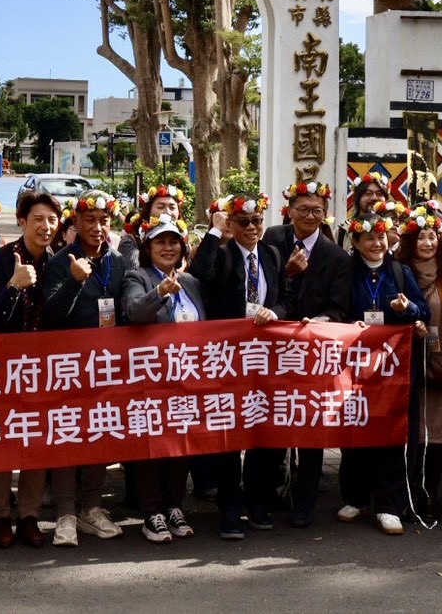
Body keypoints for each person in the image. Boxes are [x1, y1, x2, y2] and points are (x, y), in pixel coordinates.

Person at [192, 195, 283, 540]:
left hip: (265, 358)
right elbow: (199, 274)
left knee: (264, 431)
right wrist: (215, 233)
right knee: (230, 435)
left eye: (257, 221)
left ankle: (257, 504)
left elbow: (285, 297)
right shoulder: (223, 254)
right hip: (228, 357)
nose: (251, 228)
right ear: (230, 224)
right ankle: (229, 510)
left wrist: (275, 312)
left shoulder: (272, 255)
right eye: (242, 222)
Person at [0, 189, 60, 549]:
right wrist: (14, 285)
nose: (45, 227)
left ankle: (28, 514)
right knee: (2, 440)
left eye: (52, 220)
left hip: (45, 368)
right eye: (37, 219)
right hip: (2, 365)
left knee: (37, 440)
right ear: (22, 222)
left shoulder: (58, 261)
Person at [42, 192, 127, 547]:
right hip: (68, 366)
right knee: (68, 438)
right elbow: (50, 315)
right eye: (88, 220)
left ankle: (92, 507)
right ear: (74, 224)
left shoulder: (119, 261)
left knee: (98, 436)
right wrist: (74, 280)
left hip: (106, 367)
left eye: (103, 220)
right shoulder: (60, 262)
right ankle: (65, 513)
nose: (97, 227)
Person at [337, 212, 429, 535]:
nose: (377, 244)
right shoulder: (346, 271)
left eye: (381, 237)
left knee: (393, 434)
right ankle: (356, 497)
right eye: (369, 238)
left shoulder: (400, 271)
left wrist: (410, 311)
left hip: (395, 370)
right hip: (356, 369)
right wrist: (350, 326)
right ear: (357, 242)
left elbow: (423, 312)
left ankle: (390, 505)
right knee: (356, 431)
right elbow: (336, 310)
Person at [267, 180, 352, 526]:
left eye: (317, 210)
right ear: (289, 210)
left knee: (310, 426)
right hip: (272, 347)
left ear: (326, 213)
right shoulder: (271, 238)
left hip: (314, 351)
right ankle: (270, 493)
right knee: (272, 421)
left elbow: (339, 308)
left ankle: (305, 502)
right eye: (302, 209)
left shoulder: (337, 256)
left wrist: (315, 322)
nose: (310, 216)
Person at [119, 213, 203, 543]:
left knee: (181, 446)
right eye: (160, 241)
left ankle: (174, 505)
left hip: (187, 380)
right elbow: (135, 312)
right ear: (147, 247)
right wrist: (160, 292)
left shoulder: (192, 282)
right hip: (149, 381)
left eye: (173, 242)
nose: (168, 248)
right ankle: (151, 512)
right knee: (152, 447)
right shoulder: (136, 276)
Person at [397, 208, 442, 521]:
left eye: (432, 236)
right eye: (421, 236)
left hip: (441, 362)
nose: (427, 242)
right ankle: (404, 493)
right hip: (404, 361)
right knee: (409, 431)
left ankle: (428, 493)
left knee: (438, 432)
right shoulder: (398, 268)